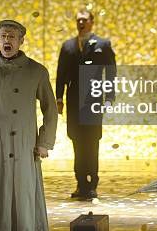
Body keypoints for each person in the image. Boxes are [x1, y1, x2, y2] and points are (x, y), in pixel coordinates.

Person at [0, 20, 57, 231]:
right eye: (3, 36)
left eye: (11, 36)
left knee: (23, 191)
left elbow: (50, 109)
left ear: (21, 41)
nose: (6, 40)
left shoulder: (36, 71)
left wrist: (44, 142)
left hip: (24, 143)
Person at [55, 10, 116, 199]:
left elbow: (111, 72)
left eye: (84, 19)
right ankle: (80, 182)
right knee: (76, 140)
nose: (81, 22)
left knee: (92, 141)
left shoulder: (103, 45)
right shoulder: (68, 46)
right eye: (78, 20)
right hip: (74, 100)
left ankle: (92, 183)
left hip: (93, 99)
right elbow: (61, 73)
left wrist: (109, 97)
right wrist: (59, 98)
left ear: (92, 22)